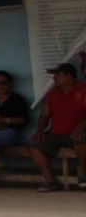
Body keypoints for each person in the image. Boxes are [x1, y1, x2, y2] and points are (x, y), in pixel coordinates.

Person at [29, 62, 86, 192]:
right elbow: (44, 116)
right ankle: (50, 180)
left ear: (69, 76)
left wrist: (80, 126)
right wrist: (39, 131)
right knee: (34, 145)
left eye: (57, 75)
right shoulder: (52, 94)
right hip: (56, 133)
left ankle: (82, 171)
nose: (54, 78)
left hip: (78, 132)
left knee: (82, 140)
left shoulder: (83, 89)